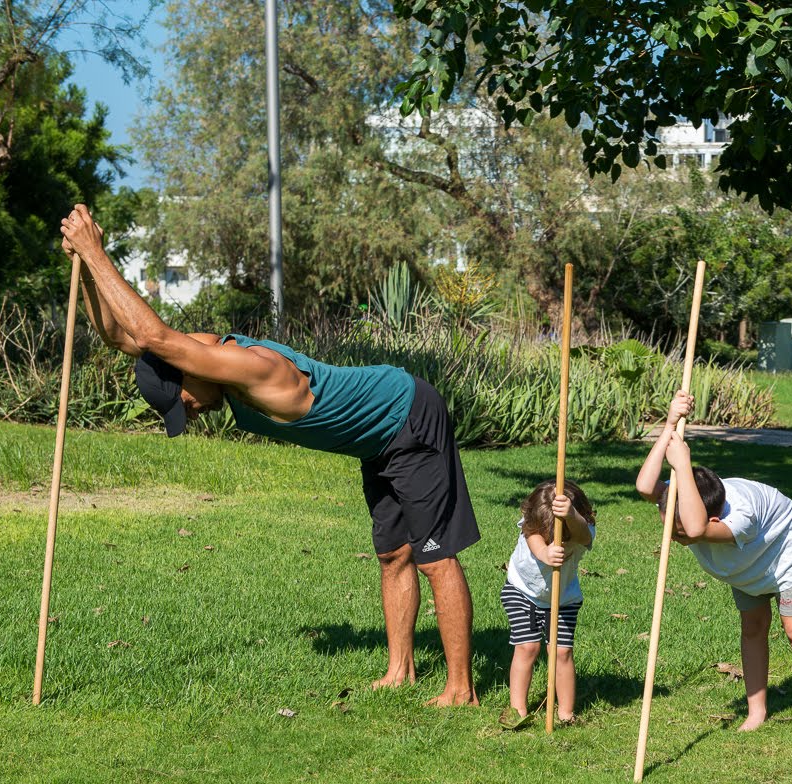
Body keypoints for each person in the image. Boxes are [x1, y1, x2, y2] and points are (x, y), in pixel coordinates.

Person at [58, 205, 480, 707]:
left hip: (407, 415)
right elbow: (120, 335)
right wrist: (84, 270)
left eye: (183, 403)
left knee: (435, 558)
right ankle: (399, 672)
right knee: (393, 554)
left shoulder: (250, 369)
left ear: (190, 372)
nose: (190, 414)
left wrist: (96, 250)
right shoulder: (197, 364)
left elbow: (153, 336)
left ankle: (460, 689)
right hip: (375, 440)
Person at [636, 391, 792, 733]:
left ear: (712, 521)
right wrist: (669, 426)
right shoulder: (686, 501)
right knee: (753, 627)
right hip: (743, 567)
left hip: (781, 551)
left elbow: (693, 526)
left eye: (675, 529)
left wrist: (682, 462)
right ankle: (756, 712)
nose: (672, 535)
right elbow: (646, 485)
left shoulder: (741, 517)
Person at [499, 481, 596, 728]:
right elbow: (532, 536)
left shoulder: (581, 527)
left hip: (563, 598)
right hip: (522, 590)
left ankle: (566, 713)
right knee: (528, 647)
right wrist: (544, 553)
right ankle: (517, 708)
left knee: (562, 652)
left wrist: (571, 514)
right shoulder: (534, 523)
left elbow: (584, 535)